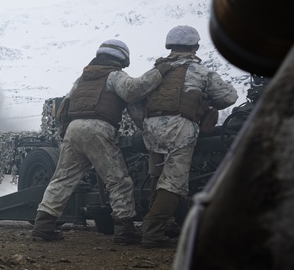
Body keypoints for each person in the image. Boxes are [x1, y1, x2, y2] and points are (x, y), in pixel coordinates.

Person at [32, 39, 163, 244]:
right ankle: (124, 230)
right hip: (99, 129)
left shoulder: (82, 79)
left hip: (73, 129)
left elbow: (62, 110)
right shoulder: (115, 76)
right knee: (119, 181)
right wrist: (158, 72)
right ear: (121, 59)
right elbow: (132, 91)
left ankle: (43, 226)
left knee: (63, 179)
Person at [140, 25, 238, 248]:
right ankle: (152, 231)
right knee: (174, 183)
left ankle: (166, 225)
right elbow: (228, 97)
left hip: (151, 128)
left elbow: (135, 97)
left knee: (157, 176)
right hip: (179, 128)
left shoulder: (156, 71)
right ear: (195, 47)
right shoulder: (200, 72)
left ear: (169, 46)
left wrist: (143, 124)